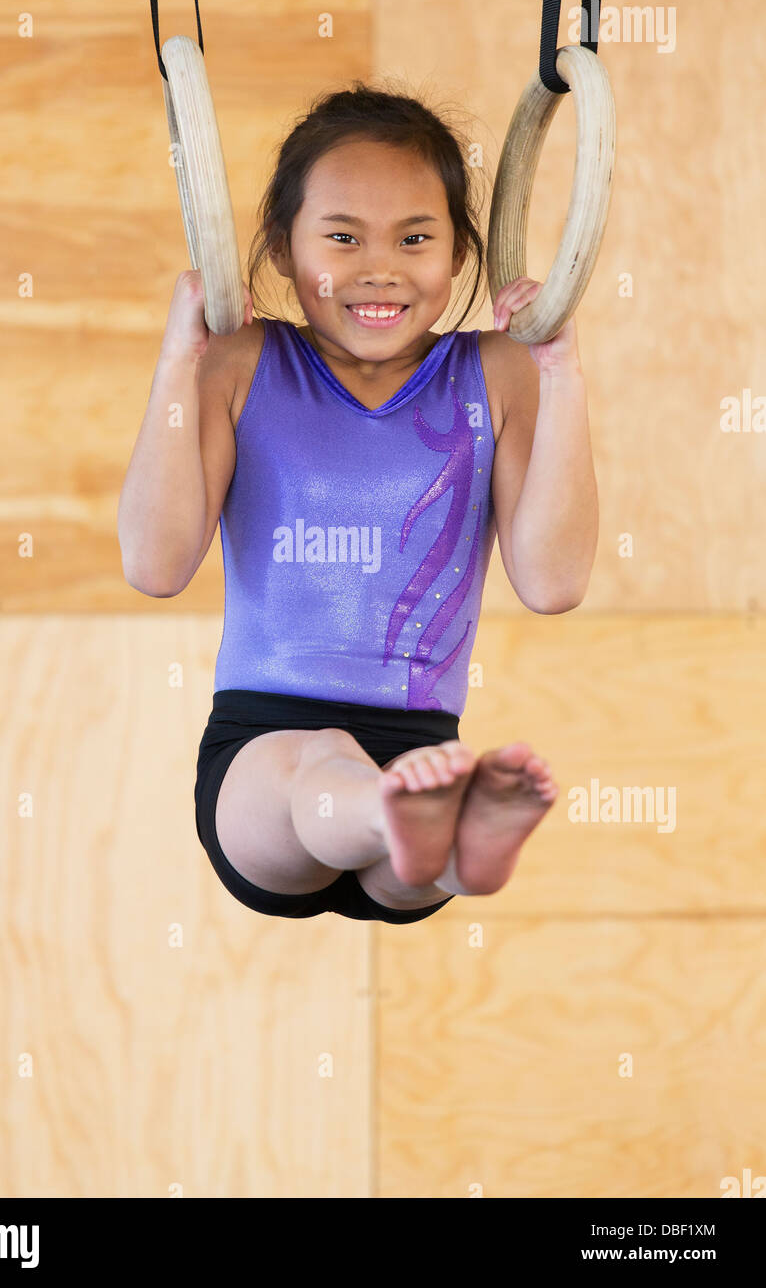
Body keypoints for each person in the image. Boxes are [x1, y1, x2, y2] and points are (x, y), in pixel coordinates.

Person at [118, 84, 598, 923]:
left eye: (416, 238)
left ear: (459, 254)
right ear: (278, 248)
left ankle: (450, 847)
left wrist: (561, 378)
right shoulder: (240, 363)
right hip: (262, 756)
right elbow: (154, 565)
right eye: (343, 237)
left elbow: (553, 583)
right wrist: (178, 362)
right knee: (323, 763)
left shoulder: (499, 373)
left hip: (421, 751)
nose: (380, 268)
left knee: (397, 823)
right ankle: (417, 826)